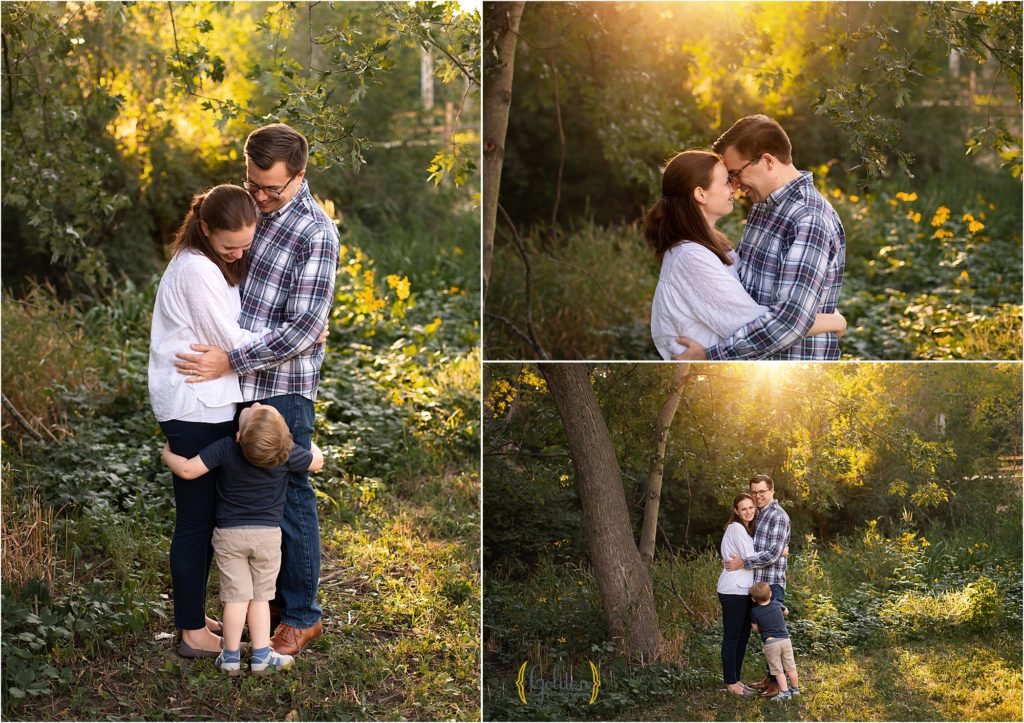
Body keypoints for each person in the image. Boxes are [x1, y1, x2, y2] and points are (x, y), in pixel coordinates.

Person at [172, 123, 341, 656]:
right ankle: (258, 607)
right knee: (245, 496)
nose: (261, 197)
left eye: (272, 188)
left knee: (289, 495)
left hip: (283, 385)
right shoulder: (251, 211)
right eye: (253, 184)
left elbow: (304, 327)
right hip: (235, 383)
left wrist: (232, 357)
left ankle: (302, 615)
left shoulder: (316, 233)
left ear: (300, 176)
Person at [148, 184, 266, 658]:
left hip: (207, 403)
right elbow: (230, 340)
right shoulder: (196, 268)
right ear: (204, 229)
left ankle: (194, 616)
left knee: (206, 518)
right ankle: (192, 632)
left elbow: (230, 341)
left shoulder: (211, 262)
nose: (238, 253)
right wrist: (296, 336)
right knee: (196, 522)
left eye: (245, 245)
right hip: (192, 405)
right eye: (229, 245)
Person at [161, 403, 325, 676]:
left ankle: (230, 656)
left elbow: (188, 471)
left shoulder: (226, 447)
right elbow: (317, 462)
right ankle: (261, 656)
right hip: (267, 539)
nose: (256, 403)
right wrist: (311, 446)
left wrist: (167, 453)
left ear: (239, 435)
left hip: (229, 538)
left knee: (235, 599)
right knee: (260, 598)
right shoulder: (285, 452)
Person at [673, 114, 846, 360]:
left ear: (767, 161)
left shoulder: (808, 219)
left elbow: (789, 321)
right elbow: (741, 286)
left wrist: (710, 357)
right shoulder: (764, 206)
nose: (734, 185)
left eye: (735, 173)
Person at [724, 474, 792, 697]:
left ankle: (777, 684)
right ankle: (770, 678)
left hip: (771, 584)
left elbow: (771, 553)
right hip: (755, 584)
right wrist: (781, 552)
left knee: (774, 634)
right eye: (754, 492)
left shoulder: (778, 516)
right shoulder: (757, 514)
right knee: (764, 633)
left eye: (762, 491)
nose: (758, 495)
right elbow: (750, 545)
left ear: (772, 491)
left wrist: (744, 562)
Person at [716, 493, 758, 698]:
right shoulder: (736, 528)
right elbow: (752, 558)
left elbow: (749, 559)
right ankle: (731, 683)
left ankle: (736, 679)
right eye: (743, 509)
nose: (748, 512)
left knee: (742, 636)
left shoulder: (745, 529)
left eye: (751, 507)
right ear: (736, 511)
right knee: (733, 637)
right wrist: (778, 552)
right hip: (733, 590)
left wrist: (745, 562)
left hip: (743, 590)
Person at [750, 581, 800, 701]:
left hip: (771, 643)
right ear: (771, 594)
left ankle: (785, 693)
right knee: (791, 667)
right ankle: (795, 689)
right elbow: (786, 612)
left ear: (753, 599)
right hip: (785, 640)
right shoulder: (777, 604)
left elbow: (755, 628)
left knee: (777, 670)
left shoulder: (755, 611)